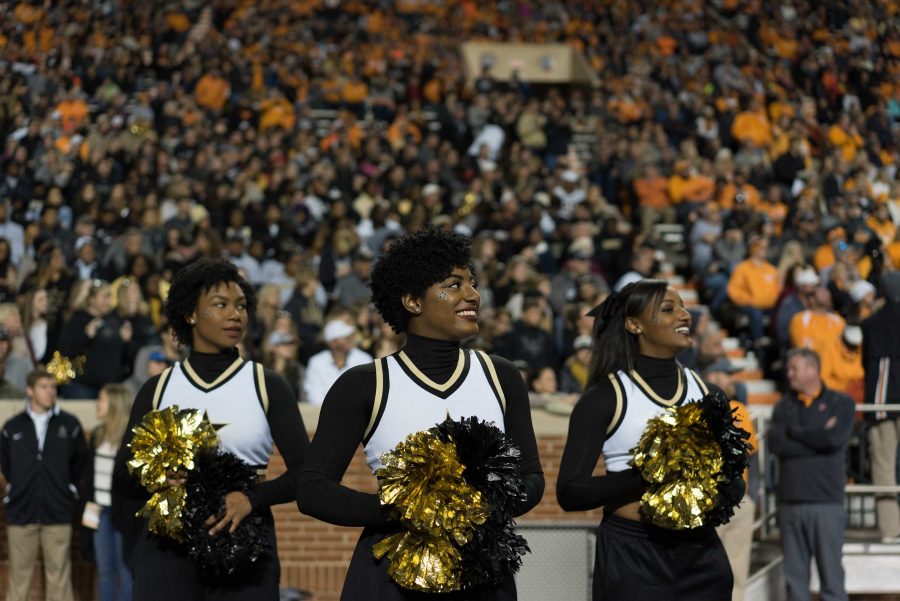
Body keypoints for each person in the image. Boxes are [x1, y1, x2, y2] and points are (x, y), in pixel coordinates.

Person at [296, 226, 545, 600]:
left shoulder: (501, 375)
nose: (473, 295)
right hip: (391, 576)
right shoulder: (366, 383)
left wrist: (481, 506)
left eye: (472, 283)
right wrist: (404, 509)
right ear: (413, 301)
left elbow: (533, 478)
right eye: (454, 284)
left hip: (482, 572)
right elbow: (313, 490)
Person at [112, 258, 309, 601]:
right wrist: (159, 478)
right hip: (167, 551)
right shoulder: (157, 389)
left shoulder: (267, 384)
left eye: (242, 306)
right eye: (220, 305)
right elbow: (122, 477)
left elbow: (309, 473)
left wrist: (252, 498)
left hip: (244, 546)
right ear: (190, 313)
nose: (235, 315)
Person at [556, 280, 733, 600]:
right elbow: (570, 493)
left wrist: (703, 477)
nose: (684, 315)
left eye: (682, 307)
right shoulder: (606, 397)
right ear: (634, 324)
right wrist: (649, 475)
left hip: (702, 556)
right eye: (668, 309)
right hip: (634, 556)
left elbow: (736, 486)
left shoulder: (710, 394)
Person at [768, 348, 854, 601]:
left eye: (794, 368)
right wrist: (818, 436)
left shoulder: (842, 403)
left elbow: (835, 439)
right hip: (790, 505)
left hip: (826, 503)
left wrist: (795, 433)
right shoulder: (783, 406)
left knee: (833, 584)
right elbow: (776, 444)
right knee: (795, 586)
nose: (789, 373)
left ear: (812, 369)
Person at [1, 368, 88, 601]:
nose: (50, 392)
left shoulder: (70, 425)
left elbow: (80, 464)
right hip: (21, 511)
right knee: (19, 578)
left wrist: (67, 489)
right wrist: (17, 489)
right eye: (44, 387)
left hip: (58, 510)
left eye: (53, 387)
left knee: (58, 575)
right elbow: (6, 466)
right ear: (30, 390)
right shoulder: (12, 427)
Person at [84, 383, 134, 601]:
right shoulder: (96, 435)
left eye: (101, 400)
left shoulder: (132, 439)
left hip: (123, 513)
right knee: (105, 571)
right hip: (99, 512)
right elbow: (87, 477)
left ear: (114, 405)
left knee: (126, 571)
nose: (97, 404)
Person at [861, 271, 900, 543]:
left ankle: (890, 529)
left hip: (883, 398)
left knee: (883, 463)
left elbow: (867, 363)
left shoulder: (872, 322)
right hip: (885, 395)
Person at [302, 317, 372, 406]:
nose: (349, 339)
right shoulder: (316, 362)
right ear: (332, 342)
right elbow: (314, 395)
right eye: (344, 336)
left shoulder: (364, 359)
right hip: (323, 414)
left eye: (349, 336)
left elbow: (366, 393)